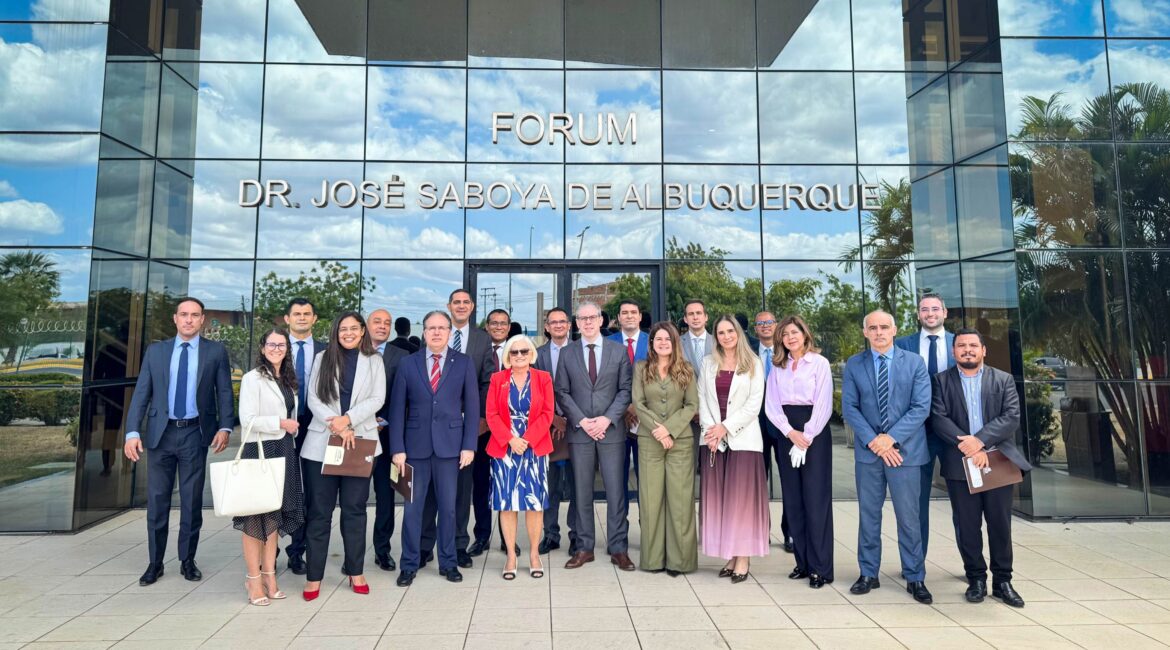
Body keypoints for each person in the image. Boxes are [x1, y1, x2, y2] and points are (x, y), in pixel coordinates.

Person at [124, 297, 234, 586]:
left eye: (194, 315)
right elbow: (141, 393)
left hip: (194, 434)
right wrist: (132, 432)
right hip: (160, 435)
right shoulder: (156, 351)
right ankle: (155, 563)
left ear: (202, 320)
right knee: (157, 500)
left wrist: (225, 427)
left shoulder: (215, 352)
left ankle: (187, 560)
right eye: (184, 314)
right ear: (175, 318)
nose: (188, 319)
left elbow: (224, 391)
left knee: (191, 501)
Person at [931, 328, 1030, 607]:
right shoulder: (940, 381)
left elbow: (1011, 417)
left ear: (983, 350)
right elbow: (938, 418)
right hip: (959, 463)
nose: (968, 350)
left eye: (973, 345)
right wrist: (970, 447)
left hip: (997, 461)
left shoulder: (1003, 379)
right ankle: (975, 579)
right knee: (967, 525)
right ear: (954, 352)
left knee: (1000, 524)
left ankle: (1002, 581)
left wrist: (981, 441)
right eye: (961, 346)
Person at [843, 310, 933, 604]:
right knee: (869, 516)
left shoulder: (915, 363)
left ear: (894, 330)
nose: (879, 332)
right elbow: (850, 408)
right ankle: (868, 573)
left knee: (909, 518)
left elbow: (921, 408)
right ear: (865, 332)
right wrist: (875, 442)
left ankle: (915, 576)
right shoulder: (854, 364)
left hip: (905, 453)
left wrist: (890, 439)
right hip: (869, 454)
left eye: (884, 327)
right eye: (873, 328)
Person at [300, 311, 386, 600]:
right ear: (336, 333)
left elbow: (377, 398)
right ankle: (314, 577)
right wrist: (336, 424)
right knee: (319, 513)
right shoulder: (322, 358)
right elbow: (313, 398)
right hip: (321, 445)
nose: (348, 333)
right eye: (342, 329)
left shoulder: (374, 360)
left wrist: (347, 420)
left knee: (355, 510)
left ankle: (355, 571)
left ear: (362, 331)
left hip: (359, 444)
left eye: (353, 328)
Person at [389, 311, 478, 587]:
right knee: (412, 510)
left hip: (450, 449)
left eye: (442, 328)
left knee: (449, 509)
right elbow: (397, 409)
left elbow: (472, 407)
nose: (437, 332)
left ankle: (448, 562)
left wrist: (469, 445)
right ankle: (409, 564)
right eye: (431, 328)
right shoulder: (408, 363)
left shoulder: (463, 362)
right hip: (414, 449)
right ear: (424, 332)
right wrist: (397, 448)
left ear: (450, 332)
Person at [555, 301, 634, 571]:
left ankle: (618, 548)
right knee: (581, 491)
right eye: (582, 318)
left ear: (601, 320)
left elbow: (625, 390)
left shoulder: (618, 351)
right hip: (580, 432)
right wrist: (582, 421)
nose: (588, 322)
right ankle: (584, 547)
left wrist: (606, 419)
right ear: (576, 324)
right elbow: (562, 391)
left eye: (592, 317)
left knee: (616, 491)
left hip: (611, 431)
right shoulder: (567, 353)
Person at [420, 289, 492, 568]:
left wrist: (479, 417)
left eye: (466, 302)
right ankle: (425, 545)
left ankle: (458, 545)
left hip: (467, 426)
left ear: (472, 307)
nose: (461, 306)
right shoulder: (434, 333)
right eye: (456, 302)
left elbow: (486, 380)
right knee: (429, 492)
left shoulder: (482, 339)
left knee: (461, 491)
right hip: (433, 426)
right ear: (449, 306)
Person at [698, 315, 769, 583]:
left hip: (744, 441)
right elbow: (702, 398)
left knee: (742, 503)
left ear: (738, 333)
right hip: (714, 442)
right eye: (721, 332)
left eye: (730, 331)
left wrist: (725, 428)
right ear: (715, 336)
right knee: (722, 502)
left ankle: (743, 557)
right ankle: (730, 554)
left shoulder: (753, 363)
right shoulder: (708, 362)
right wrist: (711, 431)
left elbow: (754, 404)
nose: (726, 336)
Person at [764, 316, 835, 588]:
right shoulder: (778, 367)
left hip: (814, 435)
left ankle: (820, 567)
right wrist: (790, 433)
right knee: (793, 500)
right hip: (787, 434)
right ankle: (802, 563)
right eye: (785, 334)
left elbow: (824, 403)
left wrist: (806, 436)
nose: (790, 337)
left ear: (805, 334)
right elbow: (772, 405)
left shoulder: (819, 363)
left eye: (794, 332)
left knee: (815, 501)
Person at [236, 328, 304, 606]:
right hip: (260, 450)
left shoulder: (288, 379)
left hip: (284, 450)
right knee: (255, 519)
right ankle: (253, 580)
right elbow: (247, 419)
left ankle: (270, 576)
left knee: (274, 518)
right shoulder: (252, 378)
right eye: (272, 344)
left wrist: (290, 427)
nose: (277, 349)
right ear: (263, 348)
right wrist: (280, 423)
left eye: (282, 345)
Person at [632, 322, 699, 576]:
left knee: (680, 502)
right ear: (651, 343)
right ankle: (653, 560)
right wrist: (658, 431)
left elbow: (691, 405)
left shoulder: (686, 369)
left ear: (674, 343)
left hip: (680, 443)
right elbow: (638, 403)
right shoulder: (641, 368)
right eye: (658, 339)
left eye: (667, 339)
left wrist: (670, 430)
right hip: (649, 442)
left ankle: (679, 562)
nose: (662, 343)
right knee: (651, 501)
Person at [486, 334, 554, 579]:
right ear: (508, 356)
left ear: (531, 353)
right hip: (505, 449)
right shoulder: (498, 379)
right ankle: (511, 556)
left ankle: (534, 554)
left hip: (534, 448)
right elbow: (491, 414)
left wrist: (527, 439)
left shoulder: (543, 378)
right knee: (507, 504)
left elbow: (547, 412)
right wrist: (510, 440)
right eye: (514, 352)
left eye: (524, 351)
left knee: (534, 504)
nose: (519, 356)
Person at [895, 292, 956, 558]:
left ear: (945, 312)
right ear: (918, 314)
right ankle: (915, 565)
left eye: (935, 309)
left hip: (954, 432)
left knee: (963, 502)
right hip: (917, 432)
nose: (930, 314)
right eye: (924, 309)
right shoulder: (903, 345)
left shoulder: (959, 343)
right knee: (916, 503)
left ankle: (972, 568)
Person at [283, 297, 324, 575]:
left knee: (310, 491)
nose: (301, 317)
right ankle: (268, 548)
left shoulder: (326, 350)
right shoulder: (275, 345)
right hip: (281, 426)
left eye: (306, 313)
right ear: (287, 318)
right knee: (279, 488)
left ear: (314, 319)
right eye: (296, 314)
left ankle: (297, 551)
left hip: (315, 425)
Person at [534, 307, 578, 556]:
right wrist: (553, 419)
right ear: (547, 327)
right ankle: (550, 534)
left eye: (563, 321)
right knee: (549, 486)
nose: (559, 325)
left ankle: (576, 534)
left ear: (569, 325)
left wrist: (570, 419)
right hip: (547, 428)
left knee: (577, 485)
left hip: (576, 427)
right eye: (554, 322)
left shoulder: (580, 351)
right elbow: (534, 392)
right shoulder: (537, 355)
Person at [370, 308, 409, 573]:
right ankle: (351, 553)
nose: (382, 326)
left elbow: (403, 396)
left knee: (385, 497)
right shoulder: (352, 352)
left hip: (387, 437)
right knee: (352, 500)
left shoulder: (402, 356)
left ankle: (382, 550)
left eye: (387, 323)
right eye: (377, 322)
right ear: (367, 326)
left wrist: (383, 420)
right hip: (354, 436)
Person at [753, 310, 793, 554]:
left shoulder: (788, 351)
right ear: (755, 328)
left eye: (769, 322)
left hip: (784, 425)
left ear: (776, 325)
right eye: (761, 323)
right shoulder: (748, 352)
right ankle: (760, 531)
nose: (765, 326)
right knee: (758, 481)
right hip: (754, 425)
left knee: (789, 479)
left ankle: (790, 531)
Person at [608, 300, 648, 497]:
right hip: (616, 420)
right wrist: (624, 409)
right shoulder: (607, 343)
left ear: (640, 316)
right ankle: (619, 518)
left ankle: (647, 517)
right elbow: (604, 382)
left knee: (647, 479)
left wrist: (637, 408)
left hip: (646, 420)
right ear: (618, 318)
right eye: (625, 312)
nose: (629, 316)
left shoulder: (654, 341)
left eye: (633, 312)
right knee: (617, 479)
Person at [483, 308, 513, 554]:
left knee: (507, 485)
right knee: (481, 483)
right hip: (482, 426)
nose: (499, 327)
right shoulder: (479, 350)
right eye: (494, 323)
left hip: (511, 432)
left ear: (509, 327)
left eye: (503, 323)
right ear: (487, 326)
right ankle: (481, 536)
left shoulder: (518, 351)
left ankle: (507, 539)